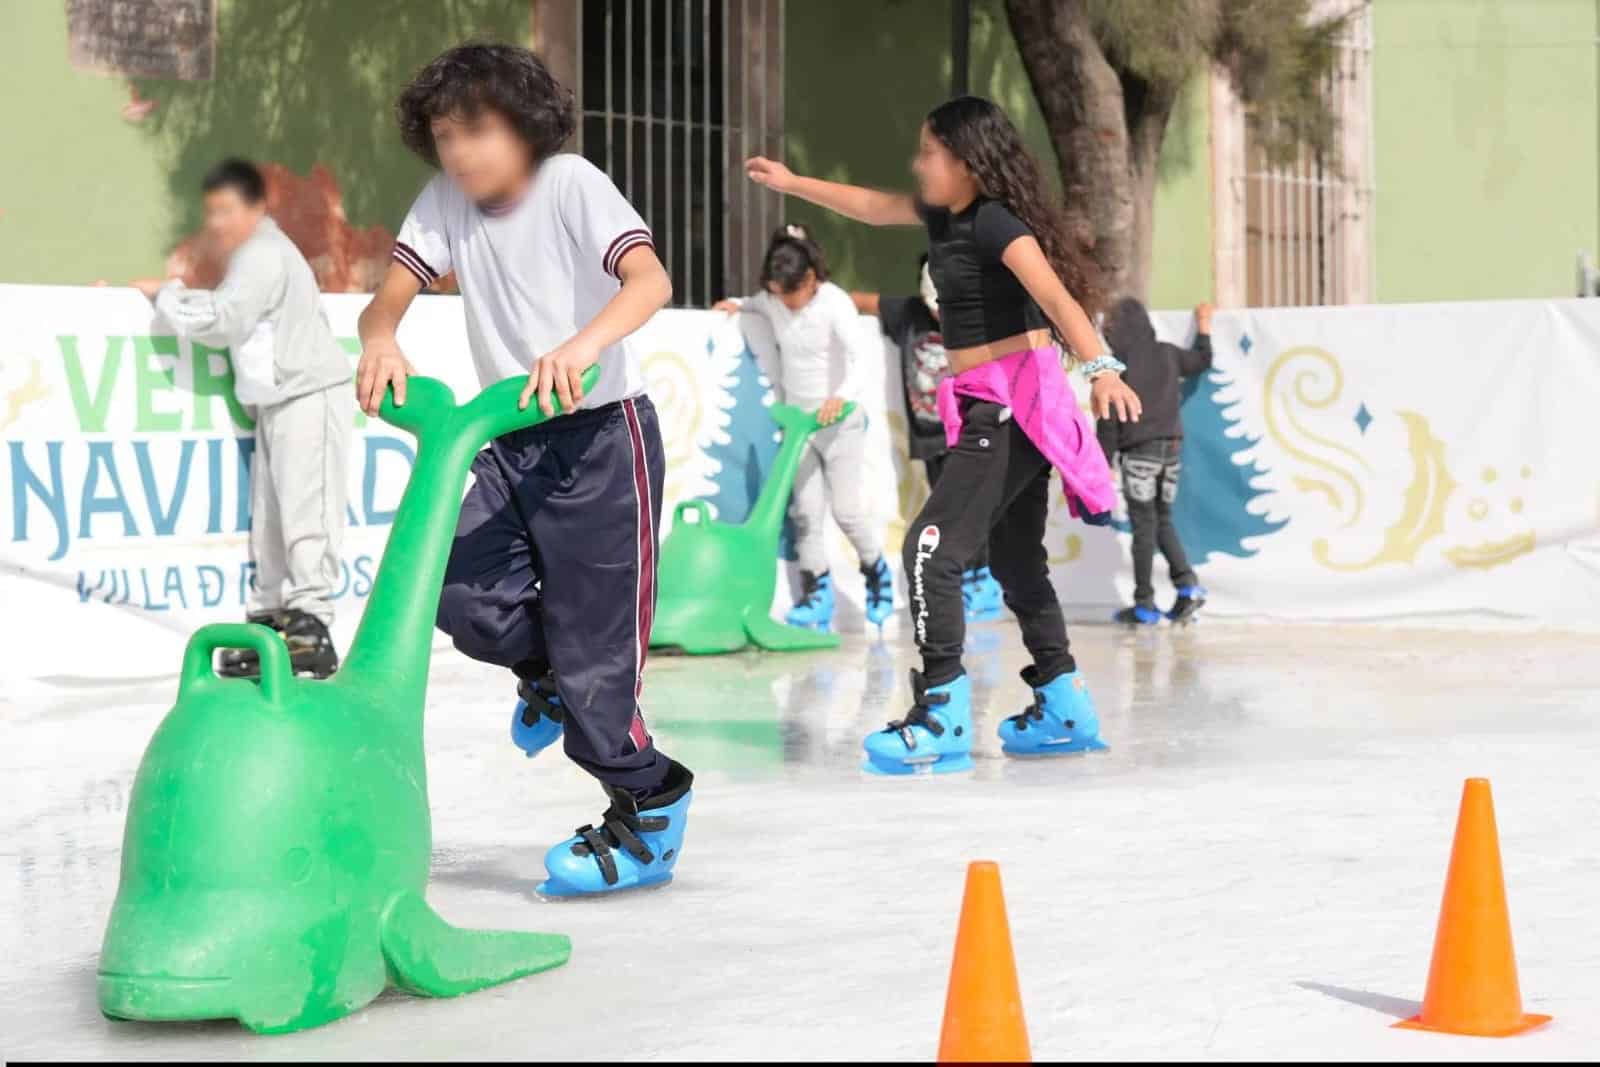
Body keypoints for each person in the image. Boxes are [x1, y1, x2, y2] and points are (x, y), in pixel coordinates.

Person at [353, 43, 692, 897]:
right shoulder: (445, 201)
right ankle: (547, 676)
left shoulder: (569, 182)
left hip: (602, 443)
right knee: (447, 585)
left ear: (525, 124)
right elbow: (382, 304)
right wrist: (381, 339)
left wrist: (580, 346)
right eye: (444, 134)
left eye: (477, 129)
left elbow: (649, 281)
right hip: (507, 442)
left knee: (598, 666)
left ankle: (649, 804)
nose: (460, 151)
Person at [742, 95, 1142, 774]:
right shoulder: (942, 215)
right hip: (992, 405)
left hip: (1012, 404)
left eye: (929, 152)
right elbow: (871, 206)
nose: (918, 163)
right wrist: (793, 182)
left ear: (967, 162)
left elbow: (1056, 297)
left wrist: (1102, 367)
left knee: (930, 551)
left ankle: (943, 712)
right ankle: (1064, 704)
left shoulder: (996, 222)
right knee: (1016, 560)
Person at [134, 158, 352, 679]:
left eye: (227, 210)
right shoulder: (253, 256)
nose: (216, 223)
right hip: (278, 399)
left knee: (307, 513)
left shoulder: (263, 253)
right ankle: (271, 628)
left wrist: (166, 295)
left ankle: (311, 629)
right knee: (271, 522)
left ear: (256, 207)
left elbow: (223, 319)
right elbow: (233, 311)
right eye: (211, 212)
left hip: (309, 392)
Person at [713, 225, 893, 633]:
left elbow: (860, 357)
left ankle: (876, 571)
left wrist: (840, 397)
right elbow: (755, 304)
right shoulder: (773, 301)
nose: (785, 303)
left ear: (810, 278)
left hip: (839, 423)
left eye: (790, 294)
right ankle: (816, 596)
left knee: (847, 511)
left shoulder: (834, 303)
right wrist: (736, 305)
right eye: (777, 294)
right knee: (806, 515)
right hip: (799, 427)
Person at [851, 257, 1004, 623]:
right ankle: (966, 577)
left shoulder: (977, 318)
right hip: (931, 436)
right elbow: (854, 300)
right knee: (949, 511)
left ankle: (982, 581)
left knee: (969, 508)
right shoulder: (907, 312)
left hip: (969, 432)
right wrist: (748, 305)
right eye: (935, 306)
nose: (940, 314)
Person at [1098, 298, 1213, 625]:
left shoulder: (1118, 366)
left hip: (1139, 452)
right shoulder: (1167, 353)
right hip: (1171, 448)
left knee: (1144, 528)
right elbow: (1202, 360)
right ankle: (1187, 586)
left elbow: (1109, 418)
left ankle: (1144, 605)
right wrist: (1204, 327)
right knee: (1162, 520)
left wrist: (1103, 461)